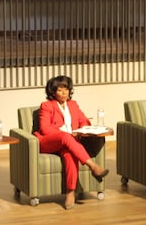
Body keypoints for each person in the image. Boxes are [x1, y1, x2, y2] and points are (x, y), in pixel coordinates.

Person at [34, 75, 109, 210]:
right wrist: (67, 134)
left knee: (70, 154)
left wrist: (82, 130)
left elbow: (84, 121)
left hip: (68, 143)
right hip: (48, 142)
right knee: (66, 137)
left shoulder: (73, 105)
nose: (64, 93)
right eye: (60, 90)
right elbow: (45, 129)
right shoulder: (46, 106)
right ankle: (93, 166)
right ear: (53, 92)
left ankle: (70, 192)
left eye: (67, 89)